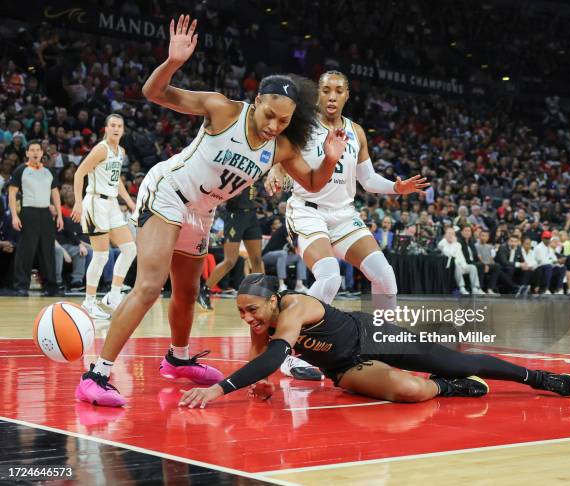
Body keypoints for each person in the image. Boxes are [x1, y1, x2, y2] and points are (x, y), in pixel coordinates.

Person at [75, 14, 349, 407]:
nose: (274, 125)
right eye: (269, 114)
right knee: (151, 285)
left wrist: (329, 159)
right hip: (168, 191)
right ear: (257, 103)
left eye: (284, 120)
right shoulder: (223, 109)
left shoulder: (281, 146)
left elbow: (314, 184)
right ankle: (95, 375)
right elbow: (155, 93)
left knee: (187, 291)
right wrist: (172, 62)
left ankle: (178, 359)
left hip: (202, 212)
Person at [178, 274, 570, 408]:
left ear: (272, 300)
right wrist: (262, 383)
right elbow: (261, 358)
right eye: (241, 314)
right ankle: (448, 389)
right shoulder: (261, 322)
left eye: (252, 310)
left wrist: (220, 388)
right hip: (344, 366)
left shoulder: (295, 307)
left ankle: (536, 378)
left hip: (372, 335)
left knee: (457, 361)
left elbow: (273, 356)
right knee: (409, 390)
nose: (248, 318)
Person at [266, 71, 428, 311]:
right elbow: (281, 154)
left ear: (347, 96)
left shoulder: (357, 131)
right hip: (308, 213)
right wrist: (275, 171)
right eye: (326, 90)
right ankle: (297, 335)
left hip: (343, 215)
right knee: (330, 277)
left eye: (338, 91)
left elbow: (369, 179)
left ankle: (380, 341)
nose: (332, 97)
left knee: (386, 277)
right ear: (317, 94)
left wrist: (395, 187)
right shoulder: (302, 126)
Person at [71, 114, 137, 319]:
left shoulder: (121, 152)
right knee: (101, 256)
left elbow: (116, 181)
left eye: (120, 125)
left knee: (130, 249)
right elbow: (79, 173)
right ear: (106, 129)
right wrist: (78, 202)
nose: (116, 129)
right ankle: (89, 302)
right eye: (113, 125)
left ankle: (113, 295)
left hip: (112, 204)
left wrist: (129, 201)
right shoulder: (101, 149)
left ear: (123, 130)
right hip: (95, 202)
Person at [8, 140, 63, 296]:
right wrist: (14, 216)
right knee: (26, 250)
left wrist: (59, 215)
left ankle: (51, 287)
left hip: (46, 213)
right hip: (28, 212)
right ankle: (21, 285)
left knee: (48, 250)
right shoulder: (21, 170)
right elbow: (12, 194)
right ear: (27, 153)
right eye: (32, 150)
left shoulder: (49, 171)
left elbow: (55, 194)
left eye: (38, 150)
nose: (35, 153)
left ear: (41, 153)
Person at [197, 186, 263, 309]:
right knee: (230, 261)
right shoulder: (234, 172)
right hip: (235, 216)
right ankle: (204, 290)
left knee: (257, 259)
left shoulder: (258, 171)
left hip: (252, 216)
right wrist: (229, 194)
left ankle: (261, 293)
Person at [437, 228, 484, 295]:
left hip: (462, 265)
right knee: (457, 266)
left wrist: (465, 266)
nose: (451, 236)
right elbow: (450, 254)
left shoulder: (458, 244)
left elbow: (461, 257)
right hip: (451, 267)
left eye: (453, 234)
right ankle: (461, 287)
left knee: (472, 267)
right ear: (445, 235)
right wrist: (453, 243)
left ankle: (475, 288)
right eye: (449, 234)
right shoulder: (441, 244)